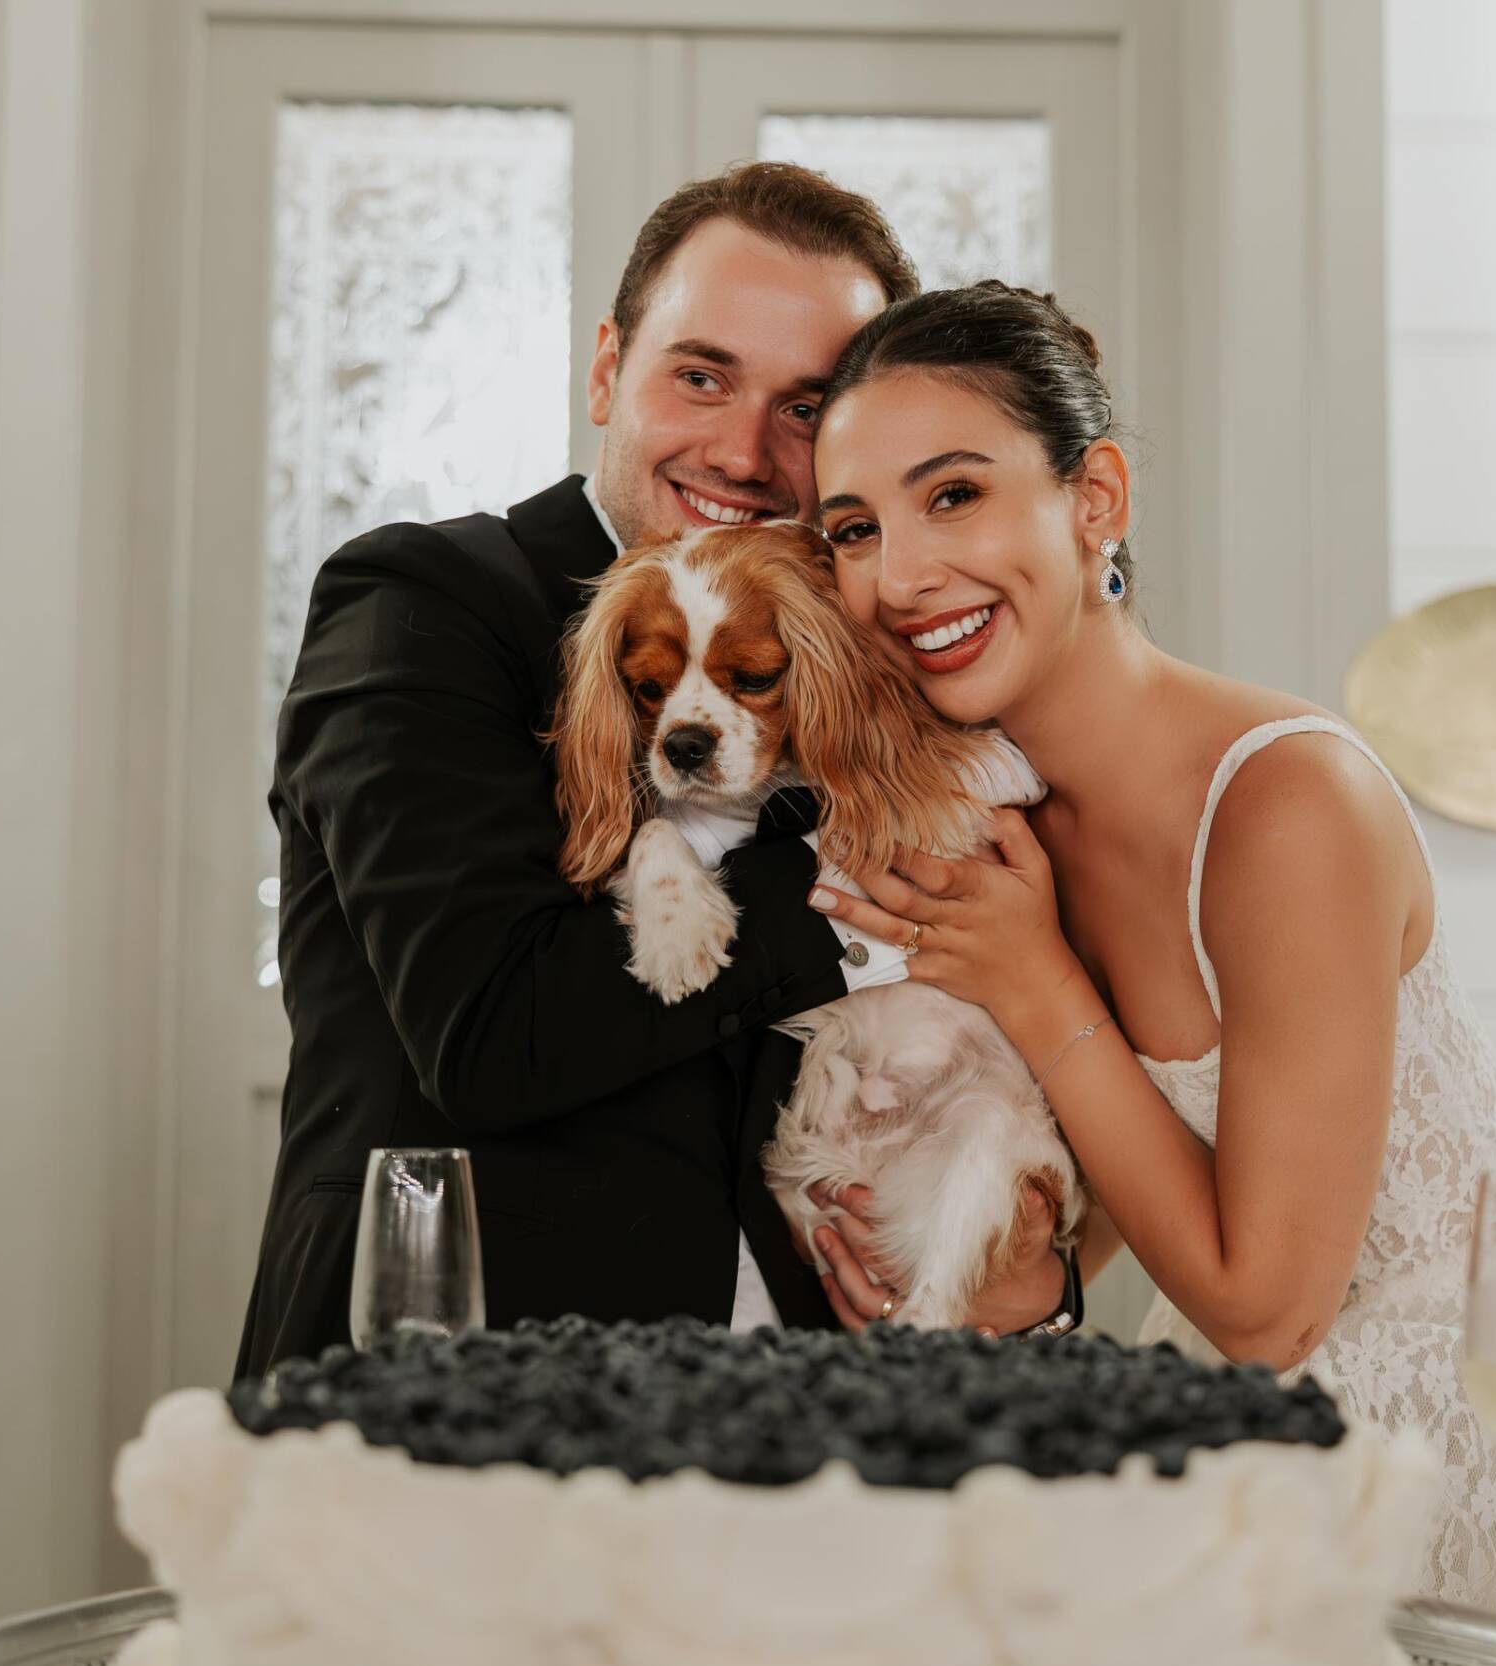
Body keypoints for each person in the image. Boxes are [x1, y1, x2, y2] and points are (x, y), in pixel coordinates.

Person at [802, 279, 1496, 1633]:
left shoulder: (1288, 803)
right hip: (1251, 1414)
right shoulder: (1007, 839)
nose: (899, 577)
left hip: (1488, 1406)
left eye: (953, 495)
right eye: (853, 529)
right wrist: (1020, 1279)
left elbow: (1266, 1308)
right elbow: (1134, 1188)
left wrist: (1034, 984)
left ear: (1095, 499)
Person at [237, 170, 1069, 1375]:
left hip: (805, 1410)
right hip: (455, 1393)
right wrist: (871, 885)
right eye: (701, 376)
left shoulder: (886, 651)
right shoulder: (424, 603)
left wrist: (1031, 1282)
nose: (741, 451)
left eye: (803, 407)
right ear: (604, 370)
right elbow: (490, 1036)